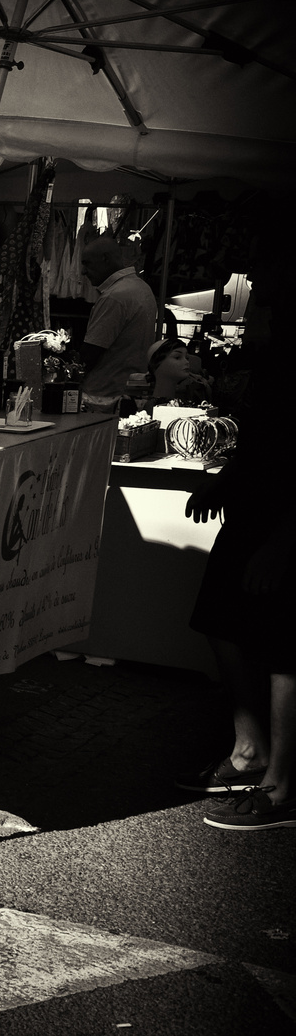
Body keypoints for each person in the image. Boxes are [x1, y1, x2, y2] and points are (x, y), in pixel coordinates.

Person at [174, 260, 295, 830]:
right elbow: (268, 438)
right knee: (220, 623)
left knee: (282, 650)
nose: (252, 306)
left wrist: (284, 542)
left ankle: (282, 788)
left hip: (283, 526)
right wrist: (227, 479)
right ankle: (250, 752)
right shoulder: (273, 356)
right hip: (252, 513)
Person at [76, 236, 158, 412]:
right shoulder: (142, 288)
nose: (83, 271)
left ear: (105, 259)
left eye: (87, 264)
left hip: (105, 396)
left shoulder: (115, 296)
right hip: (132, 390)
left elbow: (92, 351)